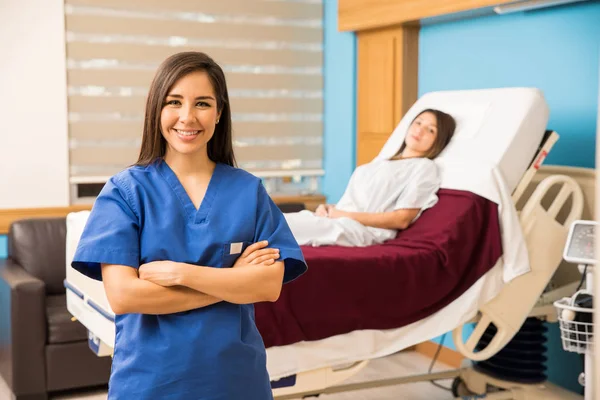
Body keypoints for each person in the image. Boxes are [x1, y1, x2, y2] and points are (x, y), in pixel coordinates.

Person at [71, 51, 307, 400]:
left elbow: (269, 285)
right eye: (174, 102)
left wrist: (182, 273)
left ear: (219, 112)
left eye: (202, 103)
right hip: (150, 383)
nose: (187, 117)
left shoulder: (247, 191)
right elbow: (124, 295)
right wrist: (233, 280)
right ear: (157, 109)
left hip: (236, 381)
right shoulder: (126, 192)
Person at [285, 109, 456, 247]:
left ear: (438, 141)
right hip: (337, 219)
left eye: (431, 130)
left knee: (276, 228)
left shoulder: (424, 167)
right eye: (418, 122)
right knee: (269, 218)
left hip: (361, 230)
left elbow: (402, 219)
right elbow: (362, 202)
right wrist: (329, 208)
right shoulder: (381, 162)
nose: (420, 130)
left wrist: (342, 214)